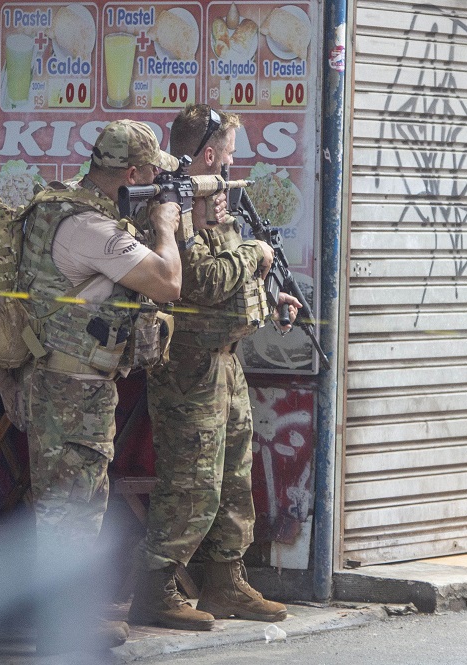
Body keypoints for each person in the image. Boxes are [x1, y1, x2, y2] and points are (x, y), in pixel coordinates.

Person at [128, 104, 300, 630]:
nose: (230, 162)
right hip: (188, 367)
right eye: (227, 153)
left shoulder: (215, 201)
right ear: (208, 153)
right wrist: (255, 256)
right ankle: (156, 589)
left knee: (232, 479)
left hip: (225, 363)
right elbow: (197, 282)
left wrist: (269, 298)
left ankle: (226, 581)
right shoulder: (174, 203)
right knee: (191, 482)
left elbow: (225, 282)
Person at [17, 119, 183, 652]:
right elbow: (168, 282)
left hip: (69, 381)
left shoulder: (69, 208)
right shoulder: (92, 228)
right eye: (151, 173)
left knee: (77, 501)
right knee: (70, 506)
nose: (156, 181)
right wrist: (165, 227)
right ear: (132, 173)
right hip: (73, 388)